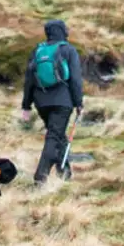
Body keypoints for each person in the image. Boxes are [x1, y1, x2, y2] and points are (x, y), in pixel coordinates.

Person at [21, 18, 84, 184]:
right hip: (63, 102)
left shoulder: (38, 51)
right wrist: (79, 103)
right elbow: (76, 80)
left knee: (57, 135)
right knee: (54, 137)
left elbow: (29, 80)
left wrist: (26, 106)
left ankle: (65, 174)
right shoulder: (68, 50)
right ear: (63, 31)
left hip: (41, 102)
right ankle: (40, 177)